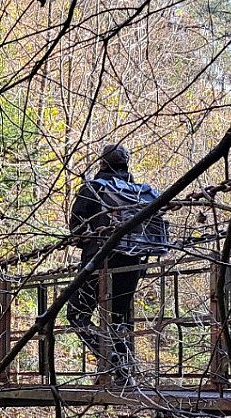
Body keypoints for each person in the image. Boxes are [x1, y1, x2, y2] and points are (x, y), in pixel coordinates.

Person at [67, 144, 166, 383]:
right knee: (118, 318)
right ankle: (124, 374)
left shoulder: (93, 188)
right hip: (132, 263)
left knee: (77, 313)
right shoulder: (140, 192)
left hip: (99, 263)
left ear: (102, 163)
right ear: (126, 164)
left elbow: (76, 229)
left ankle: (110, 359)